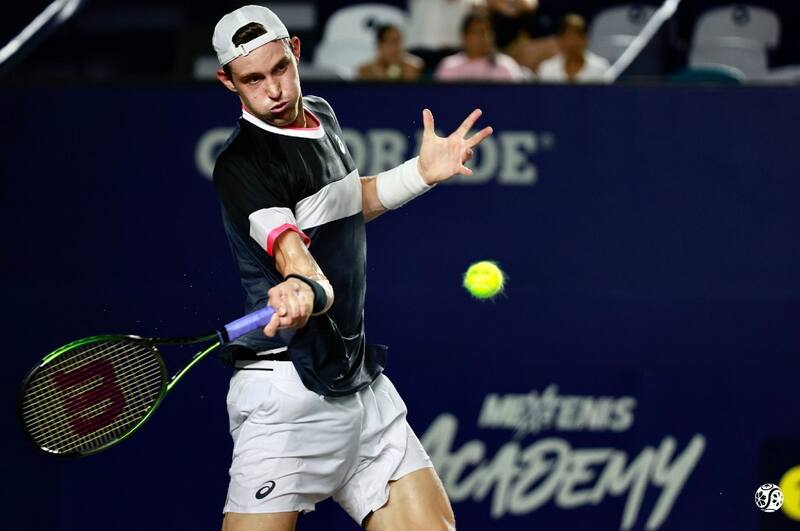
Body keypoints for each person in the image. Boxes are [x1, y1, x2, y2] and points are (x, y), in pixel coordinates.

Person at [210, 5, 493, 531]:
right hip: (288, 396)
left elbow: (339, 206)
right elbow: (292, 249)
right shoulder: (242, 165)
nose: (273, 90)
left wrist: (418, 174)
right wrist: (301, 283)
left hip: (359, 383)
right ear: (228, 81)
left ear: (295, 51)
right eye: (253, 79)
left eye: (279, 68)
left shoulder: (320, 112)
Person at [435, 11, 529, 82]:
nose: (482, 38)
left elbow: (517, 99)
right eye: (476, 32)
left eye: (486, 32)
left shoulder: (505, 65)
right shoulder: (449, 66)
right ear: (464, 36)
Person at [537, 14, 610, 83]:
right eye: (567, 37)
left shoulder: (601, 67)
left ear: (585, 39)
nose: (571, 42)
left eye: (576, 37)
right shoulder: (546, 69)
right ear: (559, 40)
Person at [357, 24, 424, 82]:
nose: (398, 47)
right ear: (379, 45)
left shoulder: (413, 67)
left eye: (400, 41)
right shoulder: (366, 70)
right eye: (393, 41)